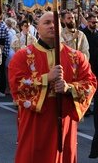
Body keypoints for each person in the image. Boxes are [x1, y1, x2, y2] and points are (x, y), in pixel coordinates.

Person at [8, 12, 97, 163]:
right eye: (47, 22)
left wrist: (69, 88)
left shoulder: (76, 56)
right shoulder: (23, 56)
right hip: (35, 122)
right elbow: (17, 85)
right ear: (37, 28)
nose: (52, 26)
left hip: (64, 121)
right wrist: (45, 79)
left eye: (55, 23)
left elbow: (90, 83)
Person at [82, 13, 98, 158]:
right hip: (89, 69)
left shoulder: (97, 35)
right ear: (87, 22)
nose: (95, 24)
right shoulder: (83, 35)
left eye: (96, 22)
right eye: (92, 22)